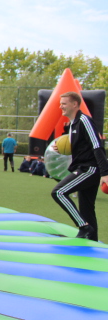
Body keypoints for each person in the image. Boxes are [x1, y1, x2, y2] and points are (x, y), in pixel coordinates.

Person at [50, 92, 108, 241]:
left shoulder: (84, 120)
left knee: (58, 192)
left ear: (74, 104)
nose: (60, 106)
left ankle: (84, 227)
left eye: (64, 103)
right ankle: (92, 239)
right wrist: (61, 148)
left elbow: (97, 146)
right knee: (87, 208)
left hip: (90, 169)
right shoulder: (72, 124)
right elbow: (79, 147)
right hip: (84, 168)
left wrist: (105, 173)